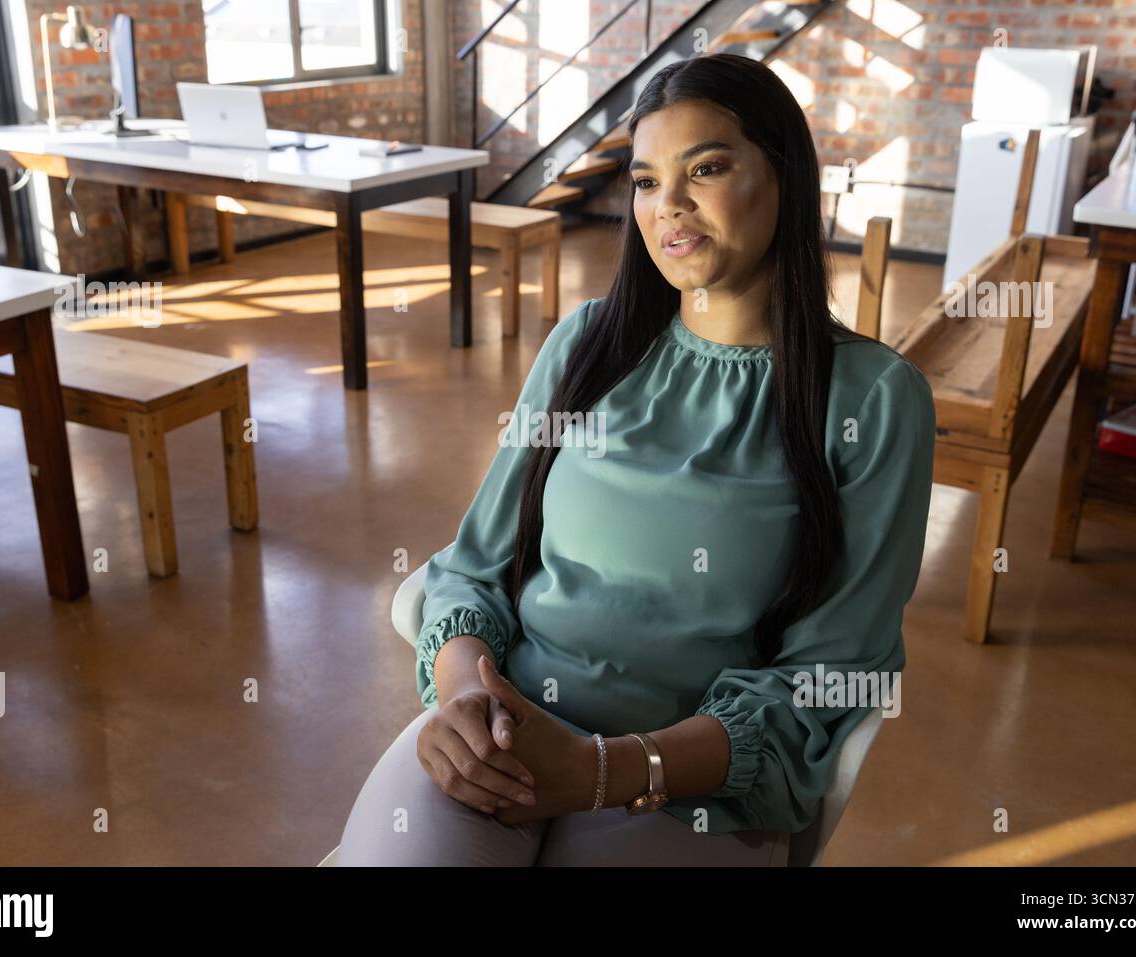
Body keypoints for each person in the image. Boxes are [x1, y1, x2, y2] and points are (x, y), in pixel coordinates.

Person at [329, 53, 936, 866]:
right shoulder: (587, 344)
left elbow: (829, 680)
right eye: (646, 181)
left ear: (785, 176)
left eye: (707, 168)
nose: (669, 206)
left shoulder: (871, 398)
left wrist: (598, 769)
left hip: (693, 785)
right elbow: (476, 567)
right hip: (509, 733)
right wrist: (470, 695)